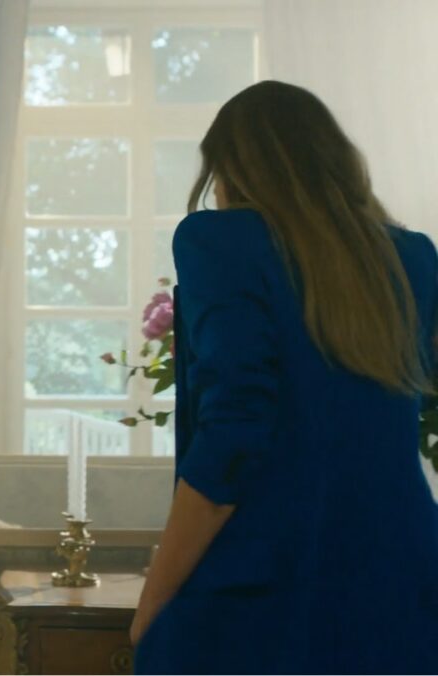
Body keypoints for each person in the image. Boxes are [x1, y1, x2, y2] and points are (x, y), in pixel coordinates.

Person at [131, 80, 438, 673]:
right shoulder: (413, 256)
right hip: (403, 580)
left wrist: (154, 601)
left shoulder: (221, 242)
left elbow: (234, 434)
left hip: (266, 588)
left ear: (233, 168)